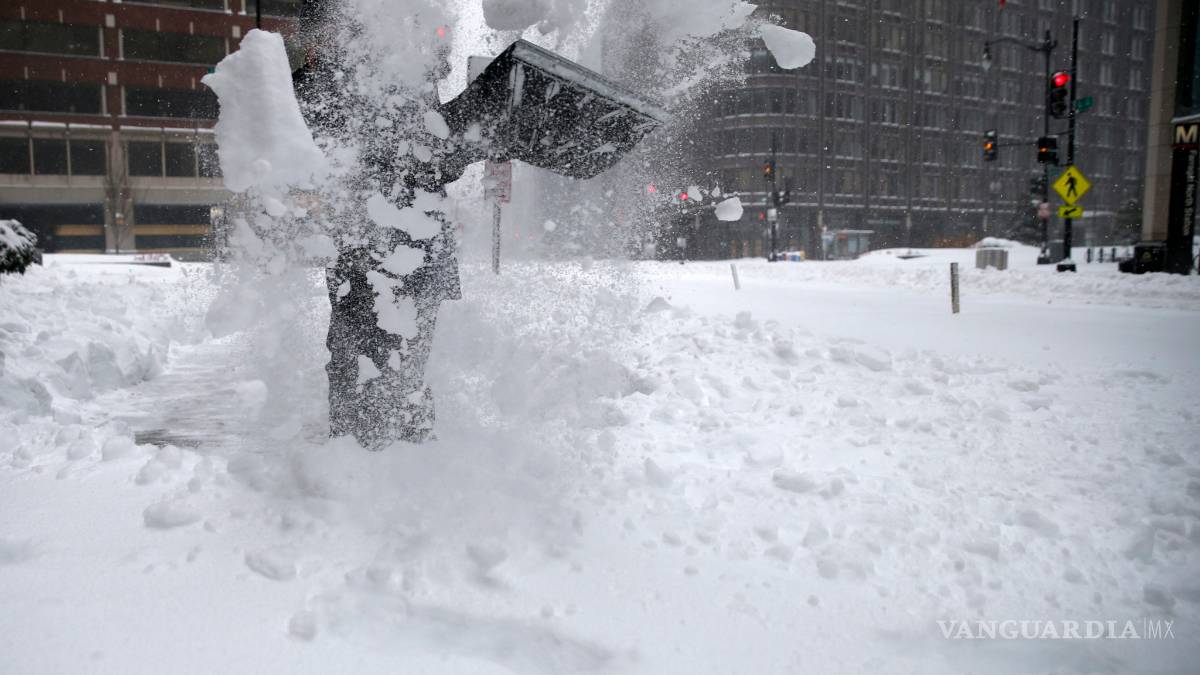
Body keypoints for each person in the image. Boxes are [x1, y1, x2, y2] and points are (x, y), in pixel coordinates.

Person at [293, 0, 463, 449]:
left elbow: (440, 160)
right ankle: (378, 455)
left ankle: (384, 456)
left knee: (386, 360)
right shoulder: (352, 78)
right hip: (374, 250)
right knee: (377, 359)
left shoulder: (396, 84)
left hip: (400, 249)